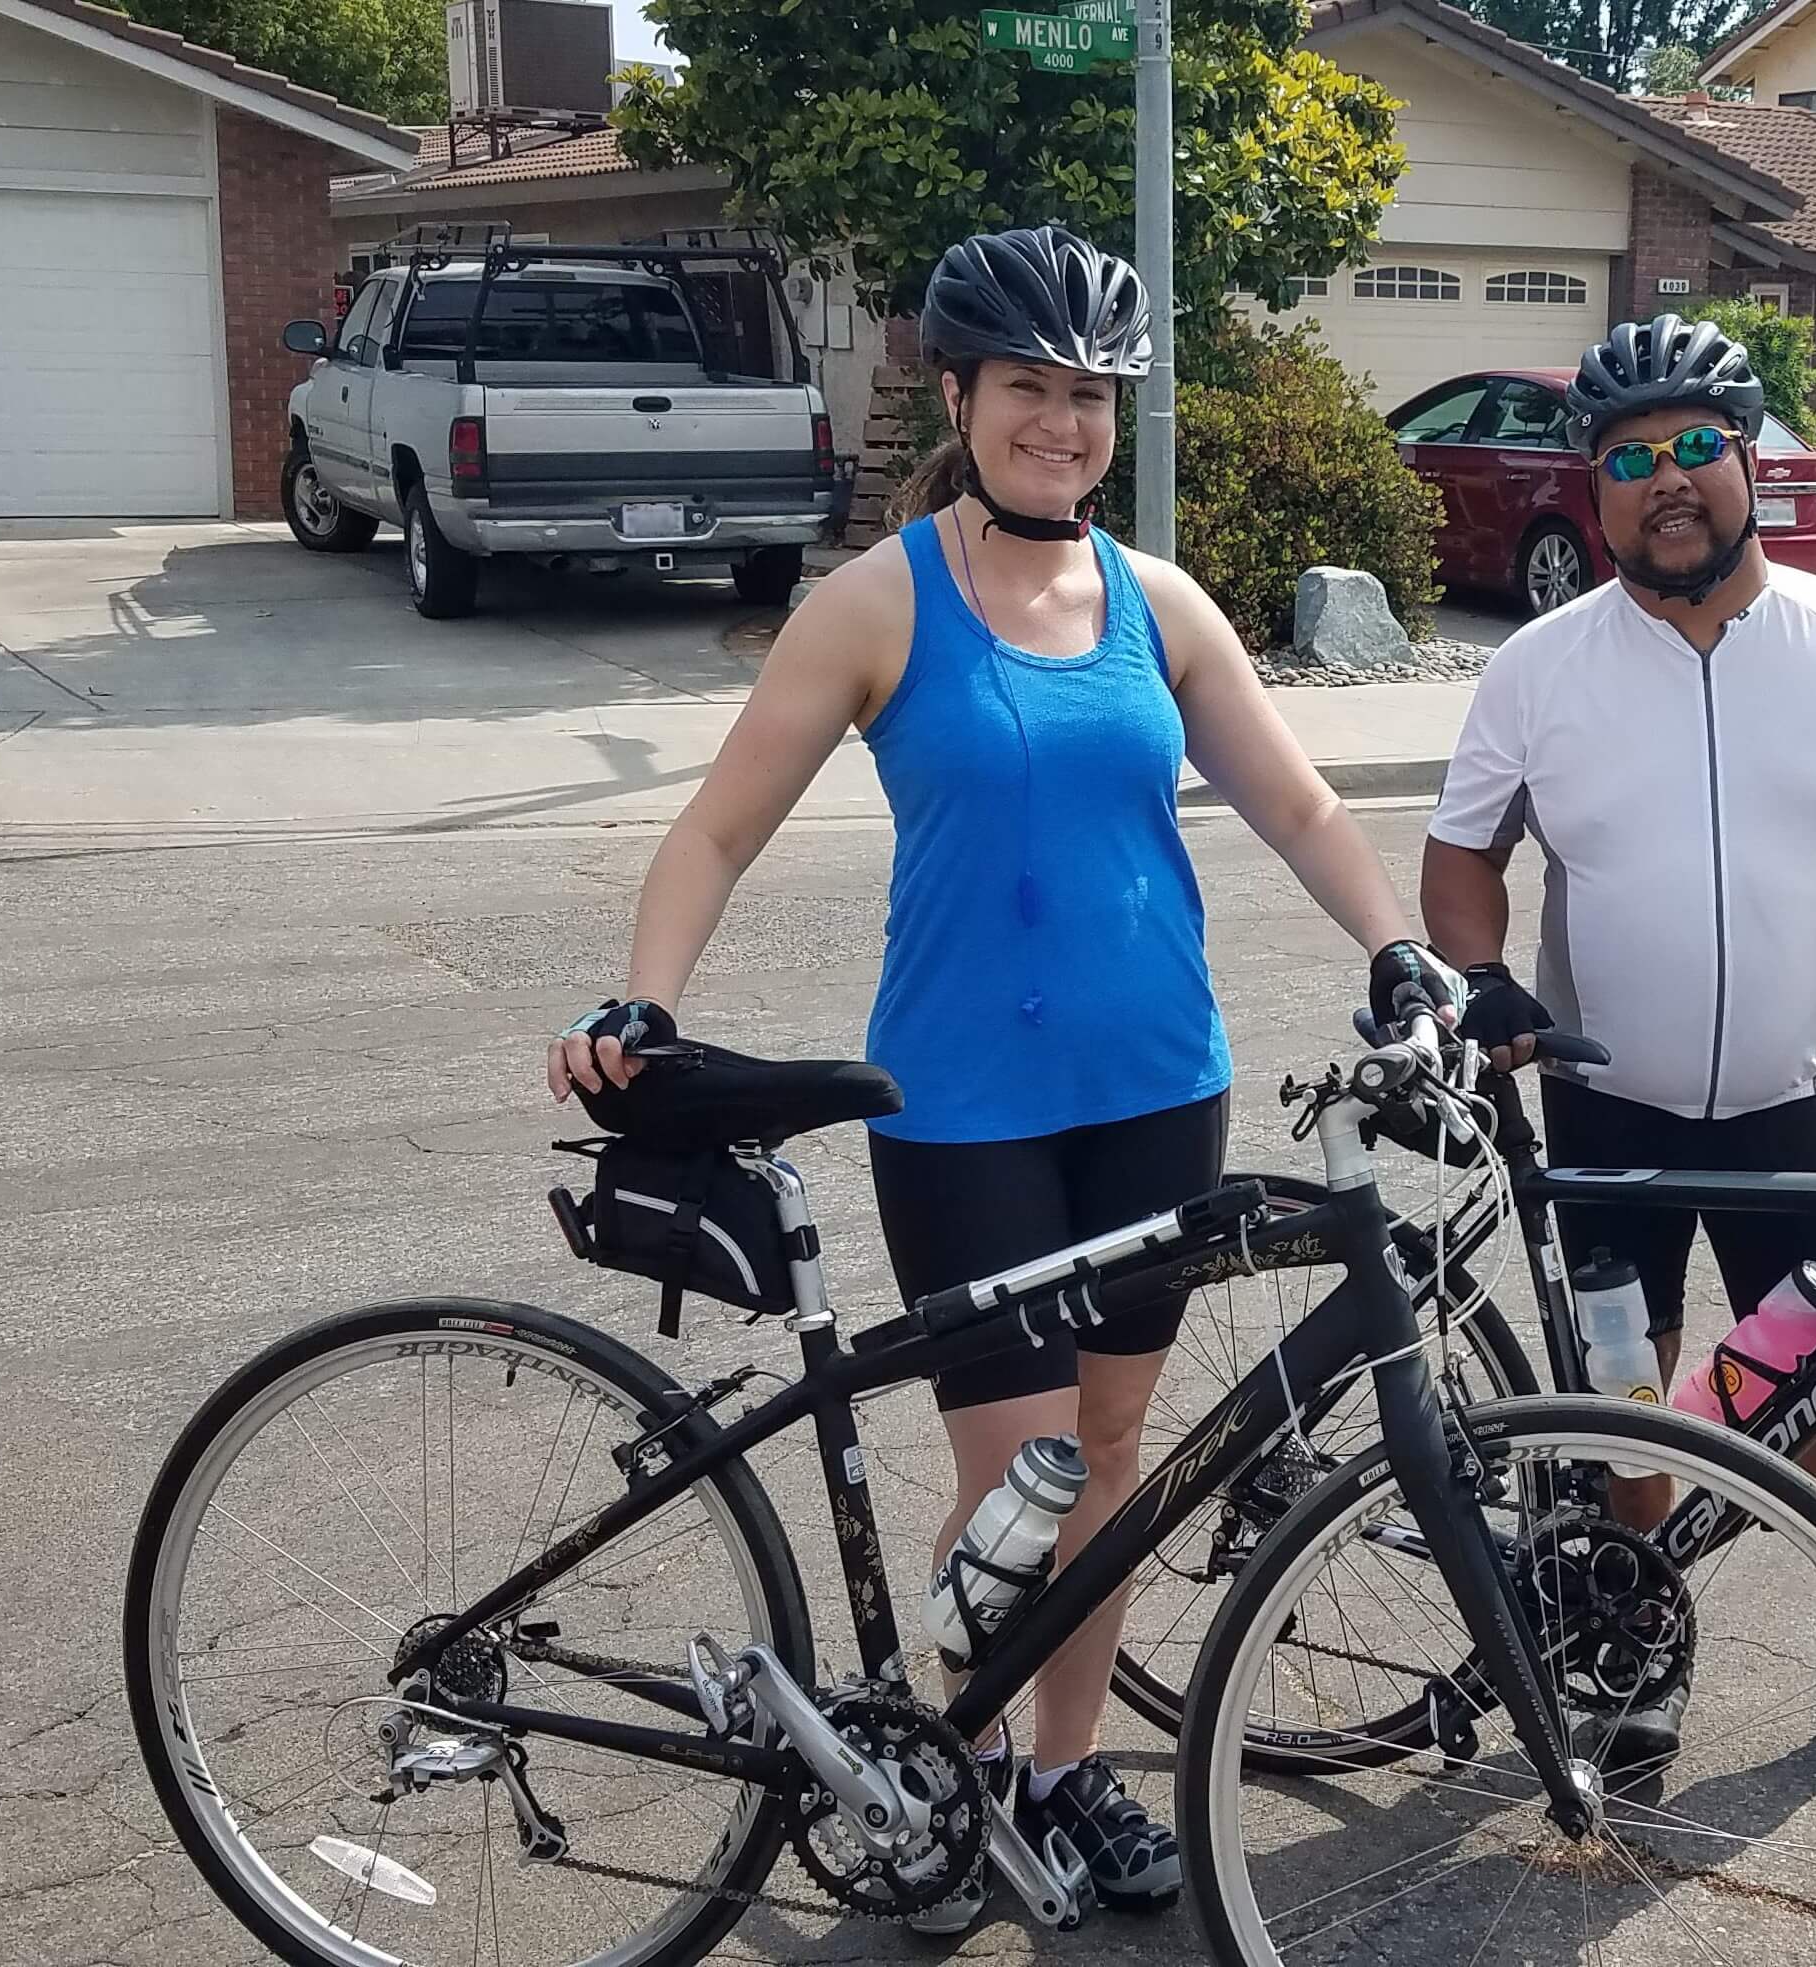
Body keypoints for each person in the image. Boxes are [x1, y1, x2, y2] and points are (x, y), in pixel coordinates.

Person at [546, 223, 1459, 1928]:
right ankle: (950, 1781)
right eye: (1027, 388)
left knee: (1109, 1454)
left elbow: (1300, 805)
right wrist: (644, 1001)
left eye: (1090, 396)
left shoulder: (1156, 603)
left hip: (1153, 1088)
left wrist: (1391, 945)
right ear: (956, 395)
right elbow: (721, 820)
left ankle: (1060, 1769)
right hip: (964, 1105)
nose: (1062, 423)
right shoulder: (882, 598)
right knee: (1018, 1472)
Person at [1420, 312, 1816, 1775]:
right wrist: (1482, 976)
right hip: (1603, 1116)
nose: (1666, 482)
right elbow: (1461, 861)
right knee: (1633, 1407)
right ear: (1593, 487)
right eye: (1629, 460)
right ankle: (1638, 1653)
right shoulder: (1539, 669)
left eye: (1697, 446)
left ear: (1750, 457)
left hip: (1775, 1114)